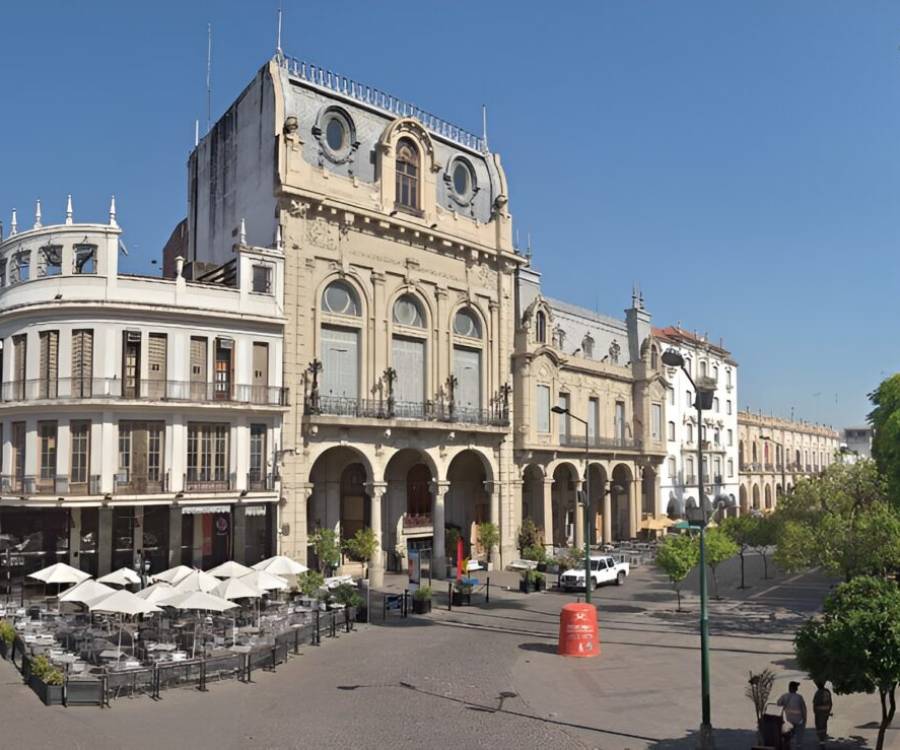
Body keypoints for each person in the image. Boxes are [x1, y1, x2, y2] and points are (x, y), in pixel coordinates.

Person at [778, 681, 808, 749]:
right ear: (794, 688)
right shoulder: (799, 697)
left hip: (788, 719)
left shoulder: (784, 696)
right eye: (796, 687)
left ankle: (788, 744)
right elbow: (804, 709)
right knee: (799, 733)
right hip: (798, 720)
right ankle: (798, 745)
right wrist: (805, 718)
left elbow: (778, 704)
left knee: (789, 733)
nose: (797, 688)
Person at [812, 680, 833, 748]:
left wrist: (815, 712)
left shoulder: (818, 693)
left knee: (819, 726)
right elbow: (830, 703)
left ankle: (821, 741)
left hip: (819, 713)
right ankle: (822, 740)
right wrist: (828, 711)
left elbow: (815, 704)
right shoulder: (827, 692)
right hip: (825, 712)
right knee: (824, 725)